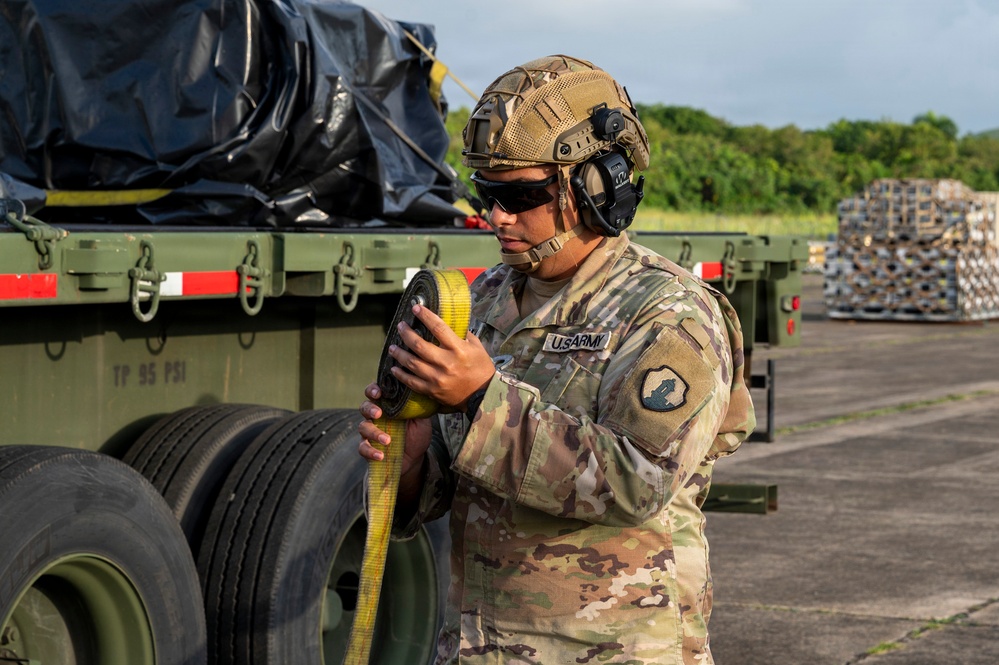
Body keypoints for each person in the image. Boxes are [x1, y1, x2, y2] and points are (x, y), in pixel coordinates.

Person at [358, 54, 755, 665]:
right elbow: (450, 485)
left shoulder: (670, 313)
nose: (497, 216)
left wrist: (478, 396)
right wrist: (412, 460)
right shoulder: (486, 298)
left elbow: (635, 481)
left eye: (521, 194)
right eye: (486, 193)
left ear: (595, 187)